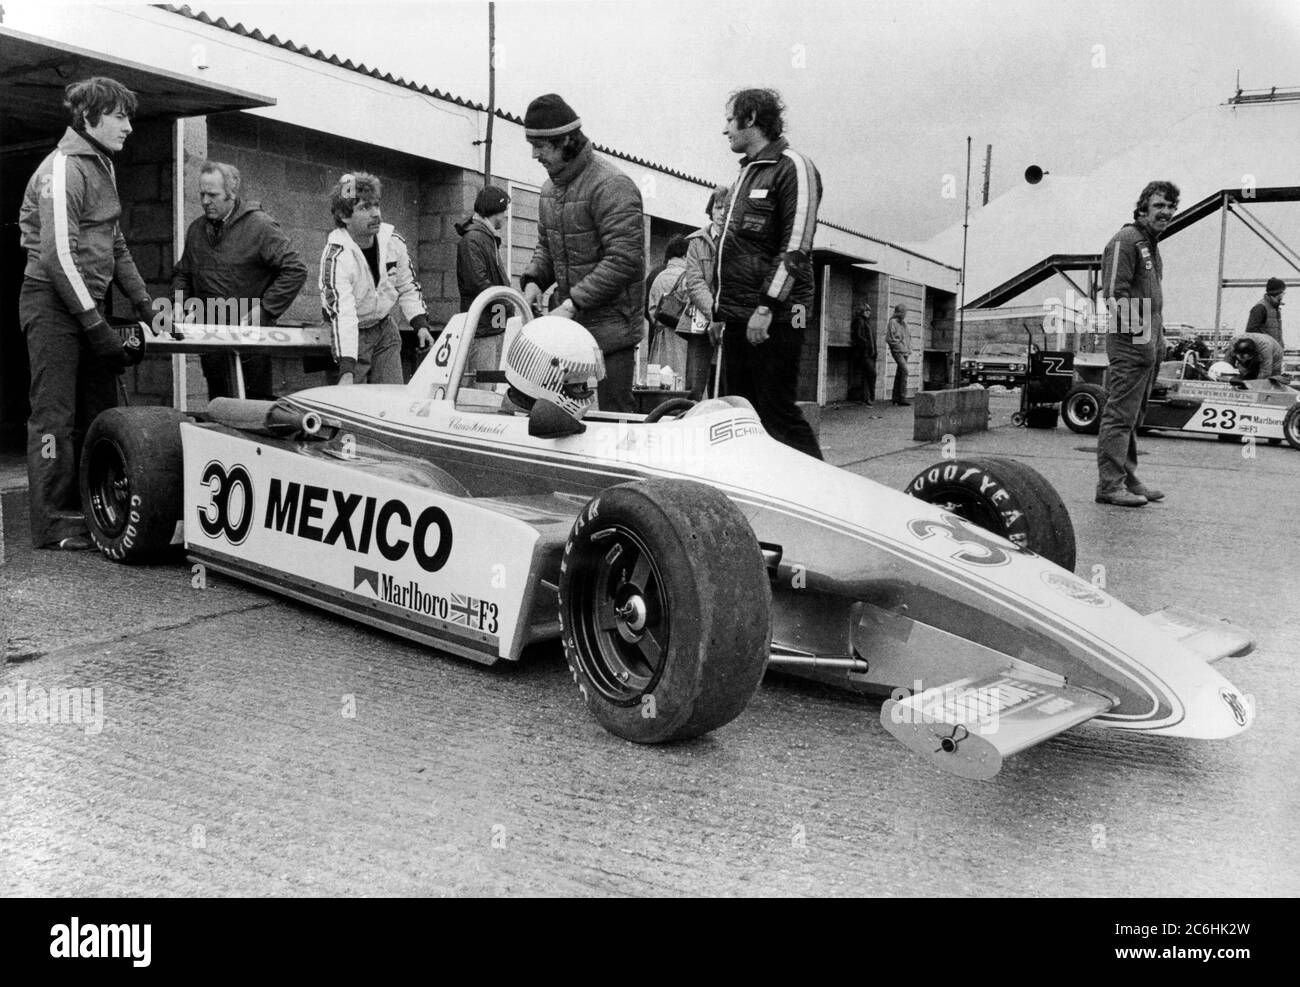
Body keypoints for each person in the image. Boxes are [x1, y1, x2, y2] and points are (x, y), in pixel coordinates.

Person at [18, 77, 153, 551]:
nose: (129, 127)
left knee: (102, 411)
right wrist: (97, 327)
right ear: (90, 118)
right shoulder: (62, 168)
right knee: (54, 415)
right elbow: (57, 257)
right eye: (120, 116)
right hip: (51, 303)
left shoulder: (103, 168)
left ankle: (96, 506)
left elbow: (114, 244)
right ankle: (52, 521)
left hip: (88, 304)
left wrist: (144, 305)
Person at [715, 87, 823, 459]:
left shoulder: (794, 167)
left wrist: (766, 306)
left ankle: (822, 494)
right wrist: (722, 313)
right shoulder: (746, 175)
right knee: (742, 418)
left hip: (773, 318)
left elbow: (796, 244)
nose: (725, 129)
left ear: (751, 119)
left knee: (777, 413)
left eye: (730, 119)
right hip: (738, 317)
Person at [519, 94, 644, 412]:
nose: (534, 154)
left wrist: (573, 303)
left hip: (611, 331)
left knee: (614, 421)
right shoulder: (549, 190)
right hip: (568, 330)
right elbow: (546, 247)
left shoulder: (612, 185)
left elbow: (624, 259)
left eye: (540, 146)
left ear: (566, 142)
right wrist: (533, 280)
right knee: (556, 418)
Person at [172, 161, 307, 400]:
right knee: (219, 403)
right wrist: (180, 303)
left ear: (231, 195)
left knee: (252, 408)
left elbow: (295, 269)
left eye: (212, 195)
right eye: (202, 194)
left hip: (249, 340)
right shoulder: (196, 230)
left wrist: (266, 309)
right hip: (211, 340)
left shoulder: (260, 226)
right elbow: (184, 272)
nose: (205, 201)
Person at [1095, 180, 1179, 508]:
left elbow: (1151, 299)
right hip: (1131, 347)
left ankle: (1129, 478)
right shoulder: (1125, 240)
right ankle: (1109, 485)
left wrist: (1159, 340)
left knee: (1133, 416)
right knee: (1119, 415)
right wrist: (1142, 340)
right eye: (1159, 206)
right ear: (1143, 208)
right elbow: (1113, 296)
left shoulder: (1150, 245)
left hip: (1148, 349)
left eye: (1171, 208)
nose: (1167, 213)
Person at [319, 172, 435, 385]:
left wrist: (420, 324)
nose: (375, 214)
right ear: (344, 217)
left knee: (391, 399)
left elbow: (407, 286)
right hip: (350, 332)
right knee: (352, 404)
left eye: (376, 205)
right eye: (364, 207)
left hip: (384, 329)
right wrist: (346, 369)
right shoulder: (336, 257)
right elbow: (343, 313)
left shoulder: (394, 242)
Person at [455, 184, 512, 378]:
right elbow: (478, 283)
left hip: (492, 328)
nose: (505, 216)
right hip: (482, 330)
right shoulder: (473, 239)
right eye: (503, 211)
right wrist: (508, 302)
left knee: (490, 388)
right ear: (495, 211)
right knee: (482, 392)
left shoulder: (485, 238)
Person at [679, 186, 730, 399]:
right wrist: (714, 314)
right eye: (718, 207)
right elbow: (695, 283)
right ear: (711, 210)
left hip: (731, 321)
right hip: (701, 320)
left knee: (728, 387)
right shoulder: (696, 242)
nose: (722, 213)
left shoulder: (739, 242)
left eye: (727, 208)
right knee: (694, 386)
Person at [646, 235, 690, 381]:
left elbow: (651, 310)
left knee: (661, 382)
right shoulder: (689, 277)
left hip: (661, 339)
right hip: (685, 340)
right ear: (685, 256)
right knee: (683, 383)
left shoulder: (658, 277)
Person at [1244, 277, 1285, 347]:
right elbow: (1251, 330)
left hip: (1273, 351)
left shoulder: (1274, 308)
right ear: (1278, 293)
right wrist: (1266, 344)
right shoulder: (1260, 308)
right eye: (1282, 292)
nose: (1283, 295)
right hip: (1264, 353)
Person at [886, 304, 911, 405]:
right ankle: (902, 397)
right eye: (903, 312)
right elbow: (890, 339)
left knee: (900, 373)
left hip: (905, 351)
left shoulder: (904, 324)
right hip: (898, 351)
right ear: (899, 313)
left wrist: (908, 349)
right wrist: (900, 347)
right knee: (905, 371)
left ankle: (895, 398)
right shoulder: (892, 322)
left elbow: (908, 337)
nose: (905, 315)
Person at [852, 302, 876, 404]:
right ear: (862, 311)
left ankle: (866, 397)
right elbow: (857, 336)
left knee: (867, 375)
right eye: (866, 310)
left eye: (869, 311)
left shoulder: (866, 322)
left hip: (868, 352)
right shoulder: (859, 321)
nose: (868, 313)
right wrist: (866, 345)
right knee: (871, 374)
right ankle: (869, 397)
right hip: (864, 352)